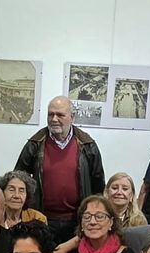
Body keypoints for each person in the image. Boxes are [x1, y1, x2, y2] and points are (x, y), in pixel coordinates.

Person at [14, 95, 105, 243]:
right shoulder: (35, 144)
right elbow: (18, 178)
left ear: (72, 117)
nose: (54, 119)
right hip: (42, 219)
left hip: (78, 220)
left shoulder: (88, 145)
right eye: (50, 114)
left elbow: (98, 184)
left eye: (60, 115)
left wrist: (94, 216)